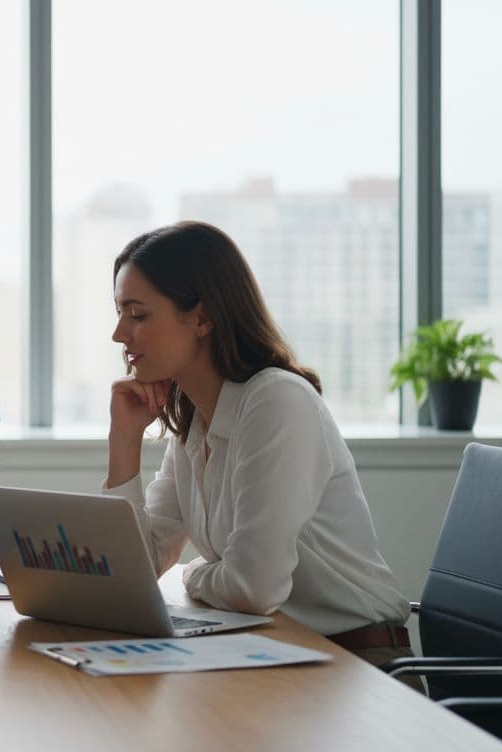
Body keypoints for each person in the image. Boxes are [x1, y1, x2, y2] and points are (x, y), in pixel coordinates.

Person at [103, 220, 415, 678]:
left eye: (137, 314)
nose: (118, 335)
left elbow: (253, 587)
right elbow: (133, 570)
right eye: (119, 313)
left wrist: (190, 573)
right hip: (276, 653)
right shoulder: (194, 418)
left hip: (356, 666)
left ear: (203, 318)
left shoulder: (275, 401)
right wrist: (124, 438)